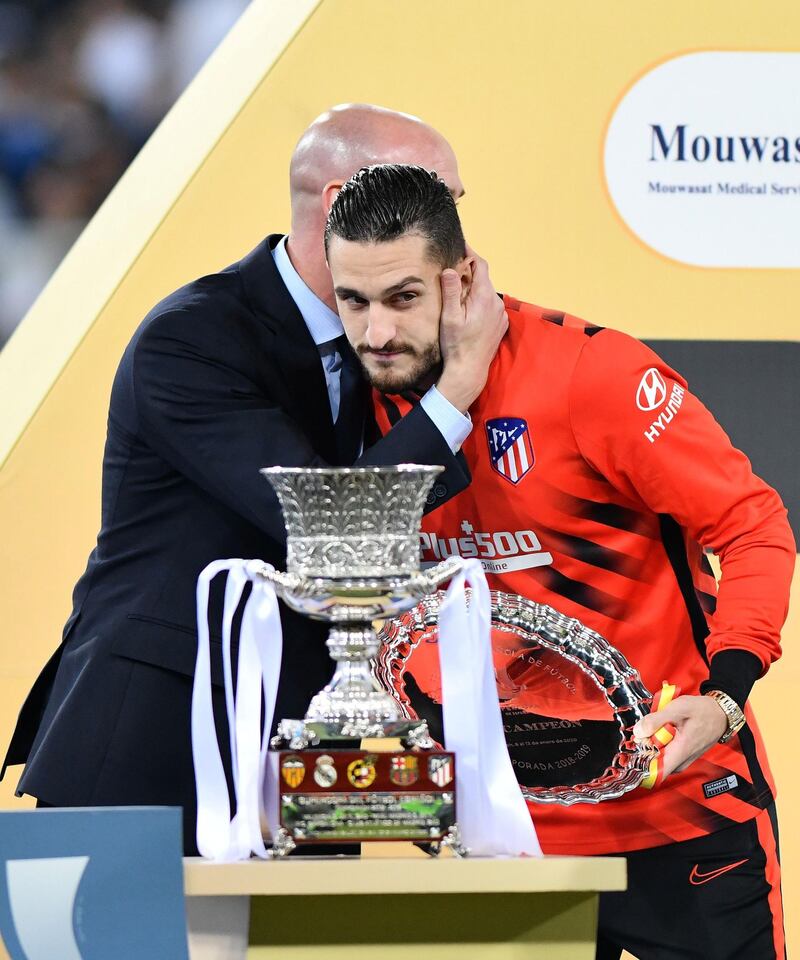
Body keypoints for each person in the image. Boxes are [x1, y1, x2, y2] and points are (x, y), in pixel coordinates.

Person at [0, 106, 508, 855]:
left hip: (299, 763)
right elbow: (333, 530)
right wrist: (458, 387)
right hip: (152, 755)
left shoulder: (388, 343)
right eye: (437, 200)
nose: (456, 243)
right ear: (343, 206)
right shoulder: (194, 339)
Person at [324, 163, 795, 960]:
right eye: (353, 301)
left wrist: (725, 694)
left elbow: (754, 527)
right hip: (508, 837)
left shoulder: (591, 374)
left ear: (462, 276)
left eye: (404, 297)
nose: (377, 333)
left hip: (680, 816)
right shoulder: (346, 401)